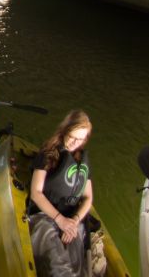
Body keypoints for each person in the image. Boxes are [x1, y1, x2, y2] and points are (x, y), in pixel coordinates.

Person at [28, 110, 94, 277]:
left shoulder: (81, 159)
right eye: (72, 136)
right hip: (44, 216)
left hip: (71, 219)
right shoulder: (49, 153)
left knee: (80, 266)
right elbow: (36, 193)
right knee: (59, 266)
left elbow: (88, 197)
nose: (74, 142)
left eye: (80, 139)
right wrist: (60, 220)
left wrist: (74, 220)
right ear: (65, 130)